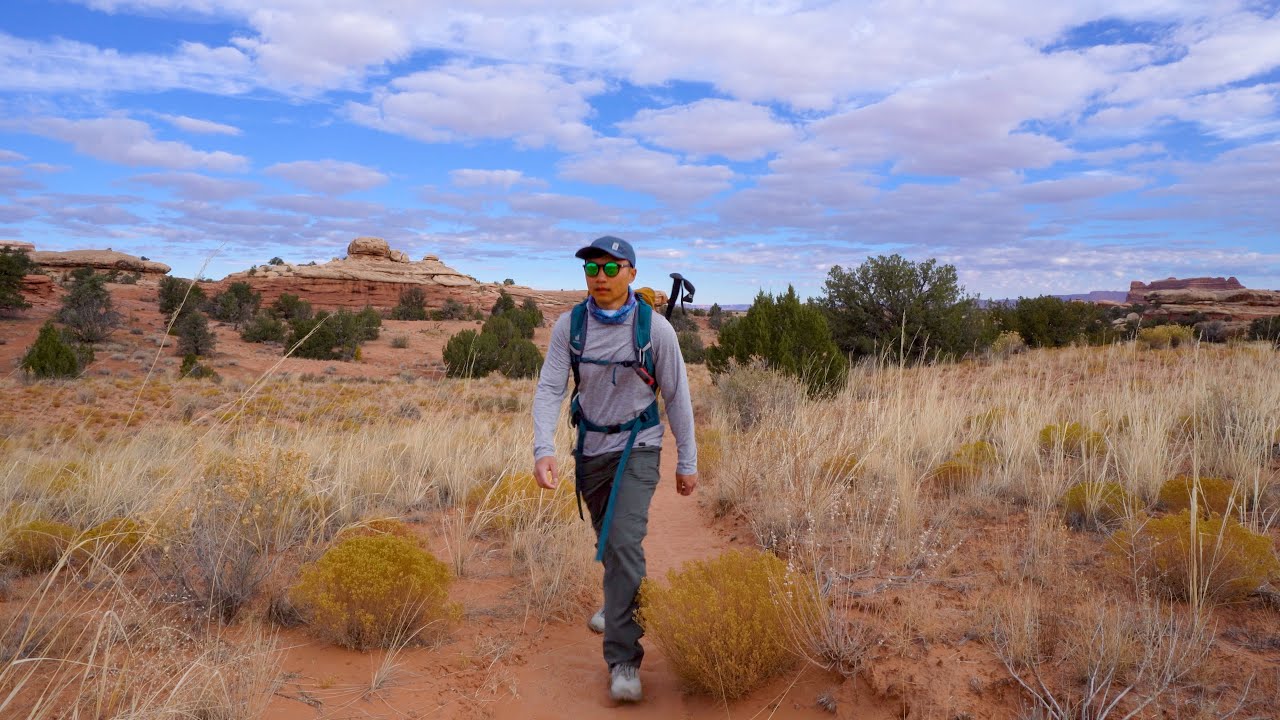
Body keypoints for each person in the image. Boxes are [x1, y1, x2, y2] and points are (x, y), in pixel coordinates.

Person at [532, 235, 698, 703]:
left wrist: (687, 461)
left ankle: (623, 658)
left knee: (623, 541)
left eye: (610, 269)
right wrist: (543, 449)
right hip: (591, 449)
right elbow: (549, 389)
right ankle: (619, 602)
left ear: (631, 273)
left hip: (639, 446)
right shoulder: (571, 326)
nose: (599, 278)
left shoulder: (655, 331)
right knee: (609, 541)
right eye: (591, 269)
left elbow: (677, 396)